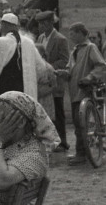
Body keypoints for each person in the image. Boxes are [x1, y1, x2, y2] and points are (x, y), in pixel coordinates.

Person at [56, 22, 106, 166]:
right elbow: (70, 71)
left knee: (81, 124)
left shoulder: (90, 48)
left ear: (79, 33)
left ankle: (82, 154)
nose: (70, 36)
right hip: (74, 91)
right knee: (78, 125)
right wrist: (63, 73)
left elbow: (101, 65)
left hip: (85, 91)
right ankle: (80, 153)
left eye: (72, 33)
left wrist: (90, 78)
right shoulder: (75, 51)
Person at [0, 13, 47, 101]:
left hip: (5, 92)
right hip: (26, 94)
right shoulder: (29, 42)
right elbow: (41, 68)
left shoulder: (0, 42)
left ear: (5, 25)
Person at [36, 10, 70, 150]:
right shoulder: (40, 38)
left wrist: (48, 66)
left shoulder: (60, 39)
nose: (42, 26)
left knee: (58, 112)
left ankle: (62, 141)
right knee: (47, 114)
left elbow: (64, 60)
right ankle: (51, 141)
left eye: (44, 23)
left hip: (55, 81)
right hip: (44, 82)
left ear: (51, 22)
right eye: (40, 24)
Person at [35, 43, 57, 121]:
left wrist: (43, 92)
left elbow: (54, 85)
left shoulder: (48, 67)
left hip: (45, 99)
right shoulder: (31, 66)